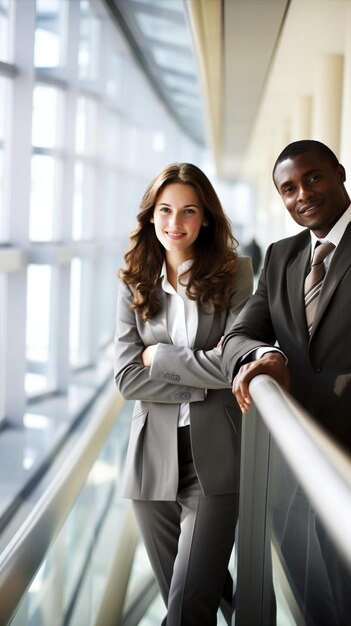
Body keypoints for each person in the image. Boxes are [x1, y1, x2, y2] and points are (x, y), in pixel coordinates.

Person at [114, 162, 253, 625]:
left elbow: (232, 361)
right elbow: (126, 379)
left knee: (187, 606)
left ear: (206, 217)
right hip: (151, 462)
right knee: (192, 589)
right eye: (166, 210)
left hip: (215, 459)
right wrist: (202, 376)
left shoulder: (236, 274)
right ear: (151, 215)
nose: (175, 223)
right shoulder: (133, 280)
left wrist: (160, 358)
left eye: (189, 211)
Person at [221, 139, 351, 625]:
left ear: (338, 172)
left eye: (313, 178)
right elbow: (239, 335)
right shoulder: (280, 257)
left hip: (346, 459)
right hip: (293, 461)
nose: (303, 195)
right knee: (310, 594)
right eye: (288, 189)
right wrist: (266, 353)